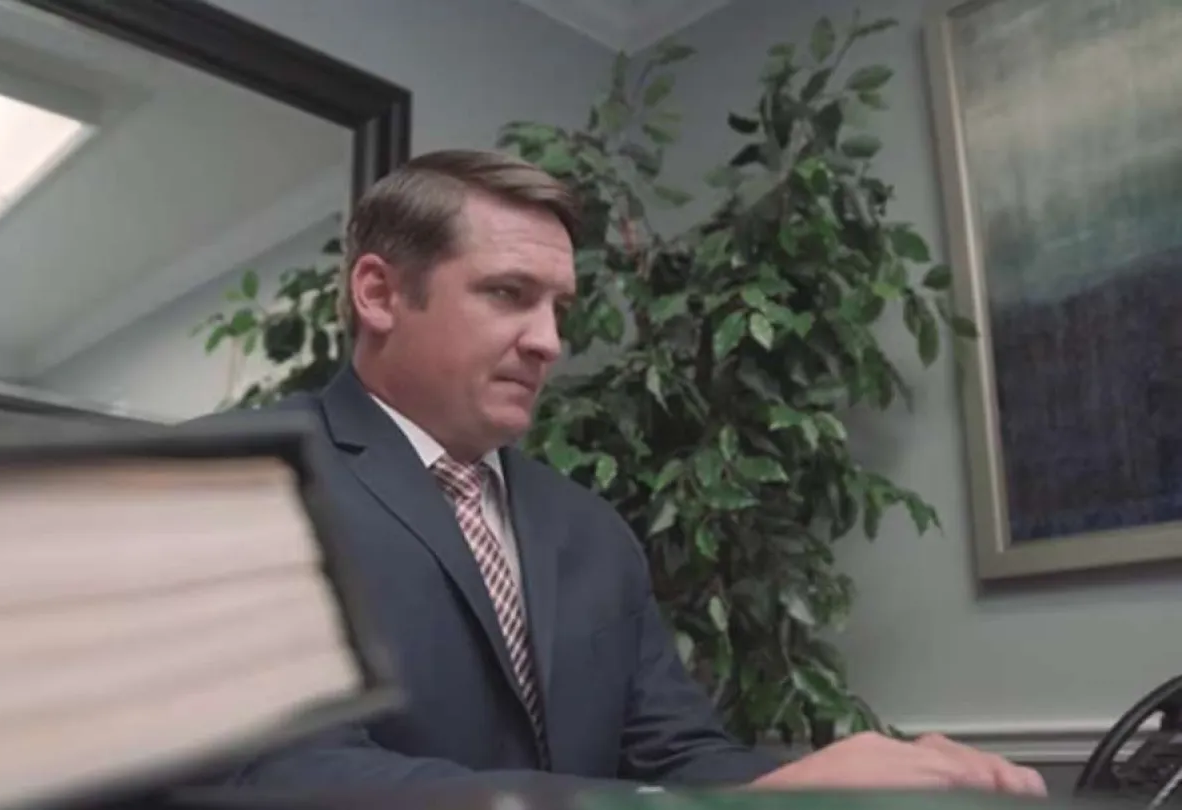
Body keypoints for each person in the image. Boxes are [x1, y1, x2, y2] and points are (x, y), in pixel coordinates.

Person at [199, 148, 1047, 797]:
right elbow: (281, 777)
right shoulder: (239, 480)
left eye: (558, 308)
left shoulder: (591, 530)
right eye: (507, 294)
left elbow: (677, 753)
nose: (549, 342)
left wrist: (801, 791)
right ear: (379, 294)